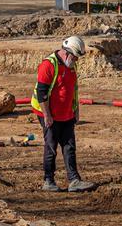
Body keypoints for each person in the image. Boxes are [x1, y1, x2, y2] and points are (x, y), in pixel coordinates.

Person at [32, 36, 95, 193]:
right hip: (49, 113)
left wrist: (76, 111)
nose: (76, 61)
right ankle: (48, 180)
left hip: (66, 114)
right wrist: (47, 116)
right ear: (66, 53)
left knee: (69, 147)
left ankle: (74, 180)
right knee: (51, 146)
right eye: (75, 57)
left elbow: (73, 90)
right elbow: (42, 93)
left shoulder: (71, 65)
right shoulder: (48, 65)